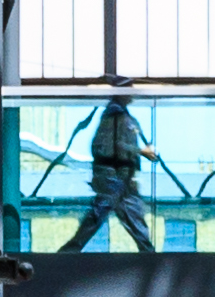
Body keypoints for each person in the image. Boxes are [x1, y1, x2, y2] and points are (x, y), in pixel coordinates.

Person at [65, 93, 160, 251]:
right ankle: (68, 254)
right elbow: (115, 146)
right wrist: (140, 152)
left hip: (120, 180)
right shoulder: (115, 116)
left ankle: (68, 253)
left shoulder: (118, 116)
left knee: (102, 220)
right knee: (99, 219)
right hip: (115, 180)